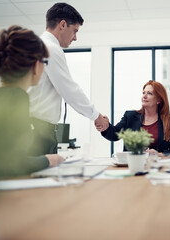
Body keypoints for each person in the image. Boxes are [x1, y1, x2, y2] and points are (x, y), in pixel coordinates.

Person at [0, 25, 65, 179]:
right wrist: (47, 160)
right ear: (36, 65)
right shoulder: (15, 96)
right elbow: (6, 162)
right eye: (44, 63)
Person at [27, 2, 109, 156]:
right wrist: (96, 116)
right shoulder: (50, 48)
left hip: (37, 129)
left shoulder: (37, 46)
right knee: (40, 178)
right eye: (74, 31)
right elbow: (69, 90)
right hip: (39, 131)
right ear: (62, 25)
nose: (75, 38)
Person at [101, 80, 170, 156]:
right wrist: (106, 127)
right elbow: (115, 135)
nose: (144, 96)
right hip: (133, 166)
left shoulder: (169, 120)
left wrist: (159, 154)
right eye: (143, 93)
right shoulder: (130, 116)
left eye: (149, 93)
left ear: (159, 100)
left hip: (158, 167)